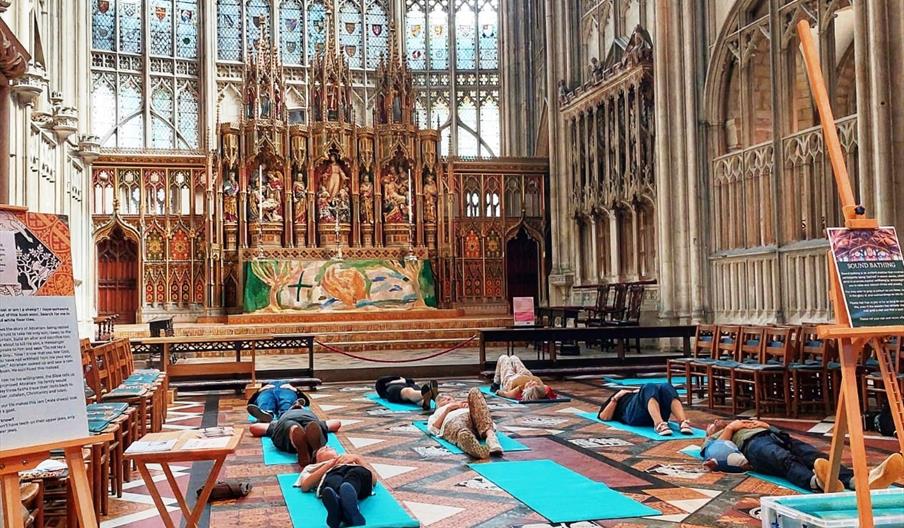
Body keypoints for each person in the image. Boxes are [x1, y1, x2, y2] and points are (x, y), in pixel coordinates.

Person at [703, 419, 904, 492]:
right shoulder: (716, 437)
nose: (714, 421)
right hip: (754, 445)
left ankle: (856, 481)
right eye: (711, 424)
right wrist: (728, 428)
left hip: (775, 435)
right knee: (783, 460)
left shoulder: (741, 423)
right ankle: (815, 482)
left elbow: (772, 429)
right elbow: (715, 450)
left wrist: (765, 425)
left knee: (813, 455)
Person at [297, 448, 378, 528]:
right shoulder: (312, 467)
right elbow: (305, 486)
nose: (326, 447)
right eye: (322, 449)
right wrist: (328, 465)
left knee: (355, 474)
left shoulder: (351, 460)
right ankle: (348, 511)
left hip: (358, 479)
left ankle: (342, 509)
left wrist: (357, 458)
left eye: (329, 447)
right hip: (331, 474)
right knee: (333, 480)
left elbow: (374, 480)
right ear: (317, 460)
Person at [249, 408, 341, 466]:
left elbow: (254, 428)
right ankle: (315, 451)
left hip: (286, 422)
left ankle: (294, 434)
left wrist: (274, 426)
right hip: (309, 419)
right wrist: (323, 424)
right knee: (314, 425)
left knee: (289, 426)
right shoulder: (307, 412)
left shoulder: (282, 417)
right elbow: (337, 423)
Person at [427, 388, 502, 459]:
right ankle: (473, 447)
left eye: (449, 398)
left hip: (475, 420)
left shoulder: (463, 403)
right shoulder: (439, 412)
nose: (447, 400)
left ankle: (491, 438)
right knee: (462, 431)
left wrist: (470, 405)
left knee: (474, 391)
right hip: (453, 420)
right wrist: (448, 409)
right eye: (443, 400)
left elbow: (484, 411)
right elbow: (434, 429)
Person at [596, 383, 693, 436]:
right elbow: (603, 417)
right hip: (632, 415)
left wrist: (640, 393)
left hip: (654, 411)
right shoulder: (617, 397)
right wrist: (616, 398)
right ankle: (659, 425)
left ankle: (683, 422)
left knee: (666, 386)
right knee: (649, 386)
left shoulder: (640, 394)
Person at [491, 354, 556, 402]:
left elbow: (505, 394)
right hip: (526, 375)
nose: (531, 382)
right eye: (534, 383)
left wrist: (498, 391)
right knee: (514, 358)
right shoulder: (544, 389)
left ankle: (496, 383)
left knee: (503, 358)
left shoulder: (518, 391)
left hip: (511, 380)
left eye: (530, 384)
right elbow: (551, 394)